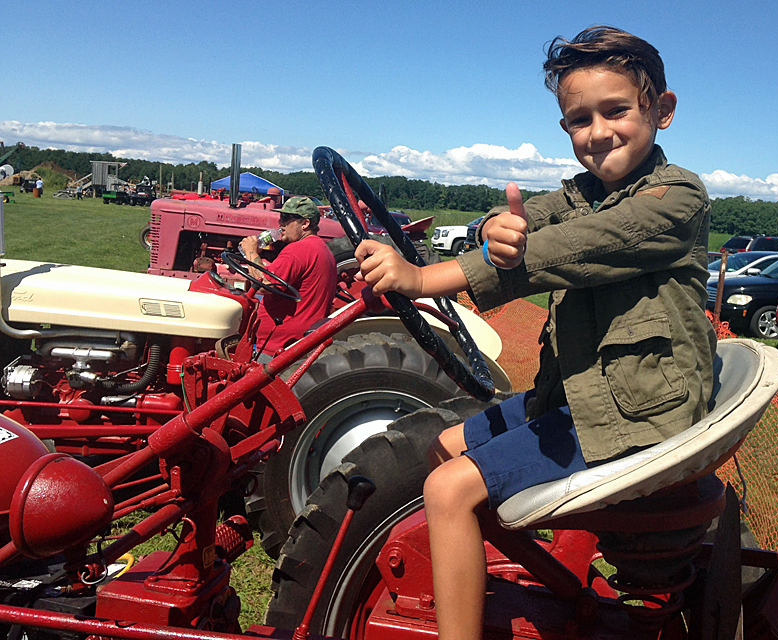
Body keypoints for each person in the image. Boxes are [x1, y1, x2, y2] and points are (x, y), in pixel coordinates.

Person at [354, 25, 715, 640]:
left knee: (446, 491)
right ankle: (486, 559)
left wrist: (419, 278)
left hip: (638, 411)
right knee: (446, 447)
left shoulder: (675, 198)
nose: (598, 132)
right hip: (583, 396)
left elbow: (562, 249)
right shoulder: (583, 192)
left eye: (616, 110)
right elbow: (523, 222)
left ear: (663, 110)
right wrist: (497, 225)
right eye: (579, 120)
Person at [239, 196, 338, 358]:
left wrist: (251, 252)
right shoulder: (322, 250)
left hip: (278, 349)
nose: (280, 224)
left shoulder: (298, 250)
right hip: (298, 345)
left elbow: (265, 284)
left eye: (286, 218)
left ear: (305, 224)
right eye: (280, 218)